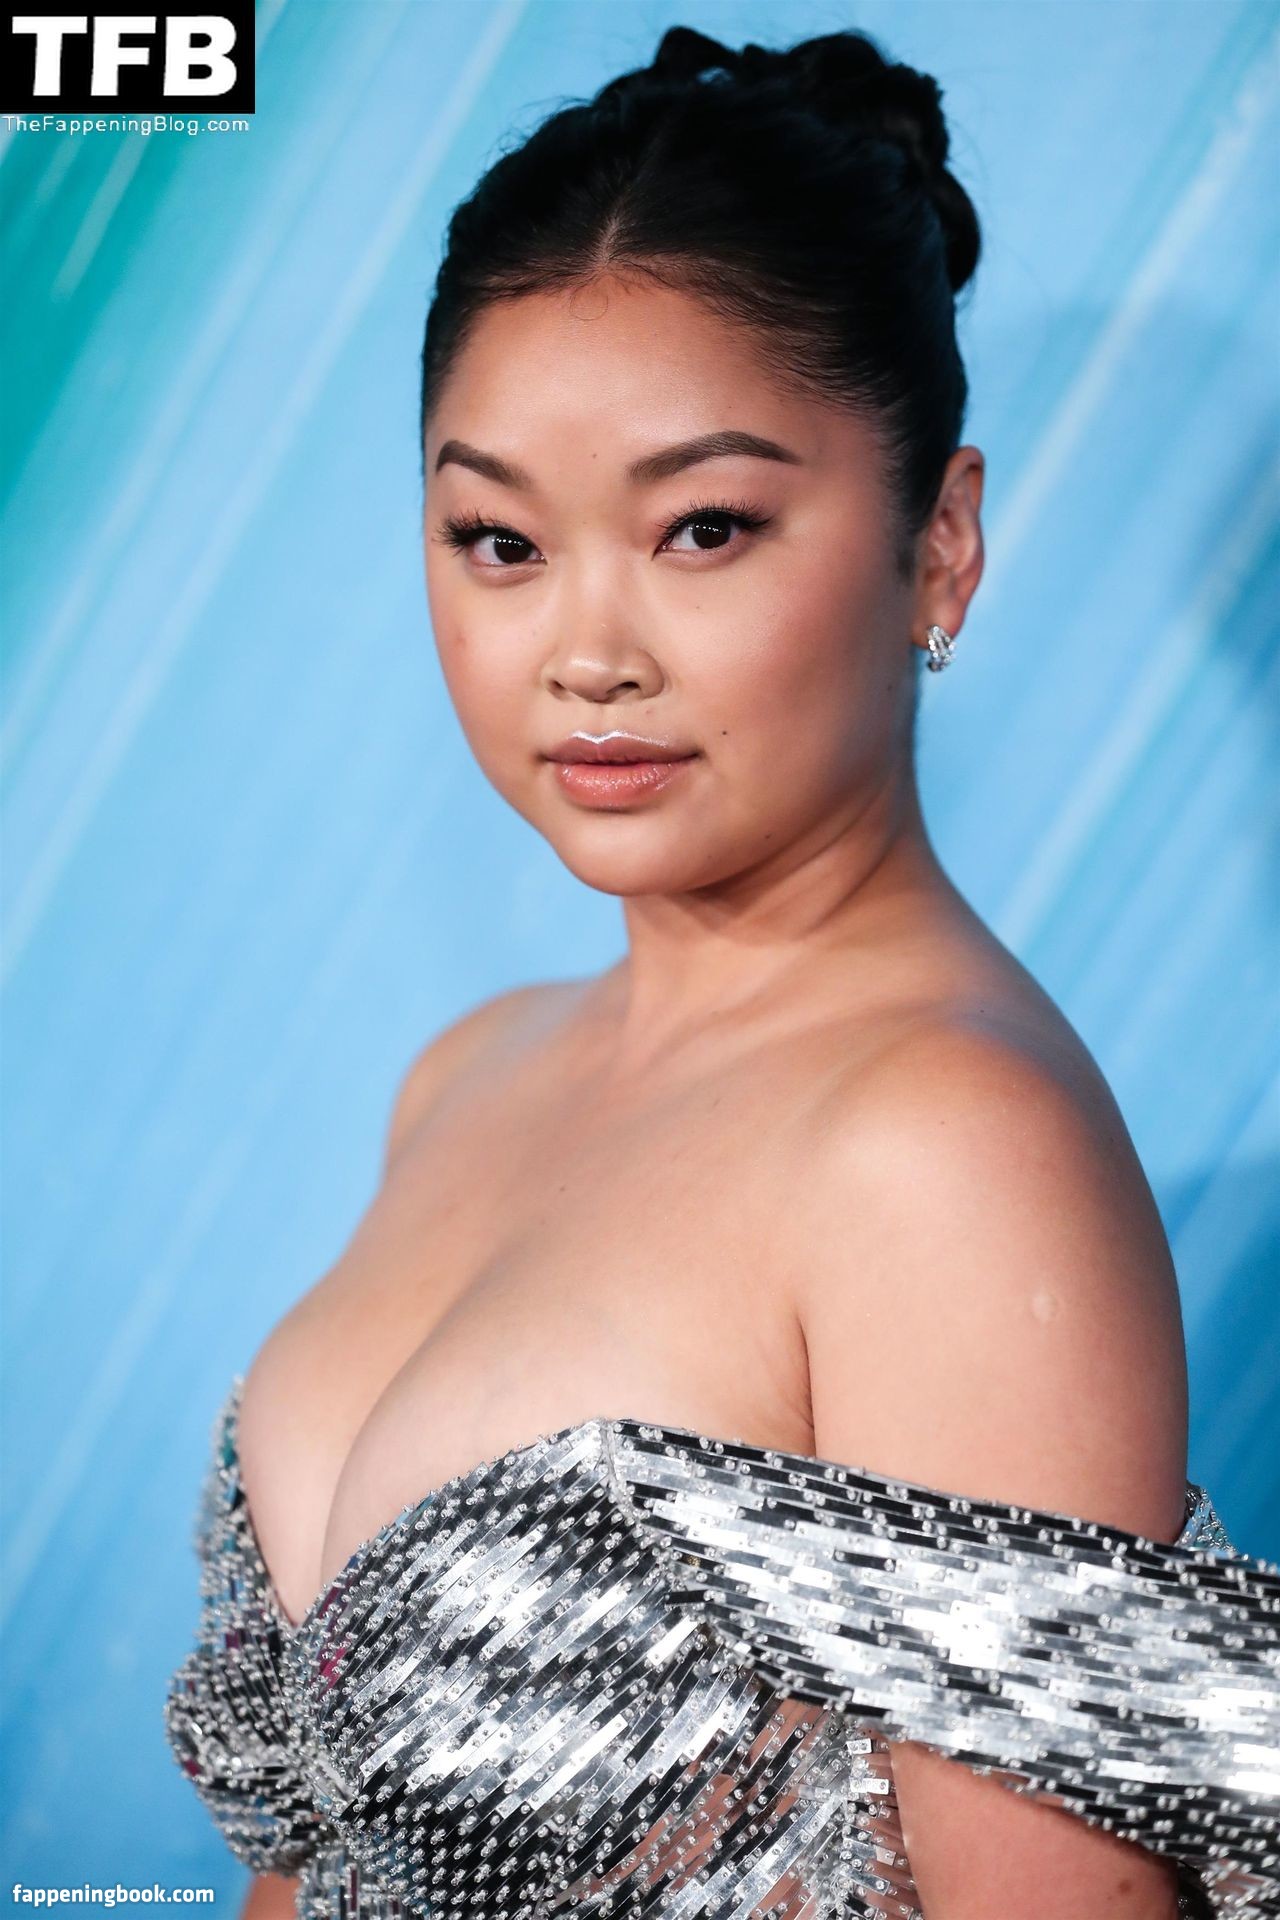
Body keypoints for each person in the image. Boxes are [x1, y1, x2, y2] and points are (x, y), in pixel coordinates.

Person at [164, 25, 1279, 1920]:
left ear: (940, 545)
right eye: (499, 540)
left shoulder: (945, 1146)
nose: (586, 650)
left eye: (703, 528)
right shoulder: (470, 1073)